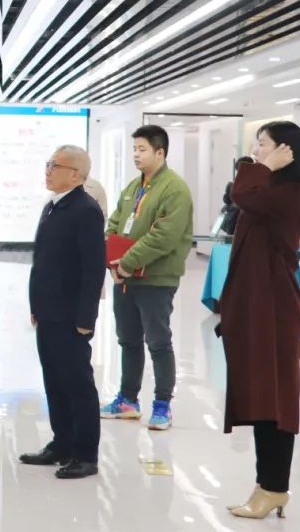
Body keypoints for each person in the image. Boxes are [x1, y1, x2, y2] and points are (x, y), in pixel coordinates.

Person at [219, 122, 300, 519]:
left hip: (273, 308)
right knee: (261, 397)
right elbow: (239, 197)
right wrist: (263, 167)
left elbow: (241, 193)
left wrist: (265, 167)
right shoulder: (269, 191)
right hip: (257, 306)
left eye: (263, 145)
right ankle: (265, 485)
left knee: (275, 399)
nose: (256, 152)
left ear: (286, 151)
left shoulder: (290, 193)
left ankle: (275, 487)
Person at [19, 146, 107, 480]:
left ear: (75, 175)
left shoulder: (86, 210)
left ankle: (85, 454)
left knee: (78, 384)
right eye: (48, 164)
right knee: (54, 380)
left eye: (54, 166)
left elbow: (93, 268)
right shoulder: (53, 206)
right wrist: (36, 306)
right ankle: (62, 443)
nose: (48, 171)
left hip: (71, 316)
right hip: (48, 311)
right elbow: (42, 260)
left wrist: (86, 318)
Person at [101, 125, 194, 431]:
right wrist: (113, 261)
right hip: (125, 277)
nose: (136, 155)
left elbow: (164, 237)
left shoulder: (174, 189)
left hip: (156, 278)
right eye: (134, 149)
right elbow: (115, 223)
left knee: (158, 341)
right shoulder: (134, 186)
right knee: (128, 340)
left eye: (142, 149)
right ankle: (128, 400)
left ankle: (163, 405)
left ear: (160, 152)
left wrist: (128, 262)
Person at [221, 156, 255, 237]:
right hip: (236, 227)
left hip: (242, 227)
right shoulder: (234, 185)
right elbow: (227, 201)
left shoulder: (235, 184)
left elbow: (228, 201)